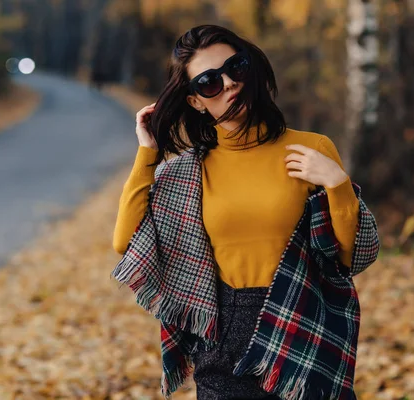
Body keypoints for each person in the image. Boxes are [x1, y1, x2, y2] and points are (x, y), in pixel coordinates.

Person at [112, 25, 379, 400]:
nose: (228, 83)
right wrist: (147, 154)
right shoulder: (188, 171)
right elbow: (125, 239)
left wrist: (338, 184)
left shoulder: (311, 150)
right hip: (223, 336)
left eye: (235, 68)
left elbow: (351, 257)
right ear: (196, 101)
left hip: (303, 325)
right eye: (208, 82)